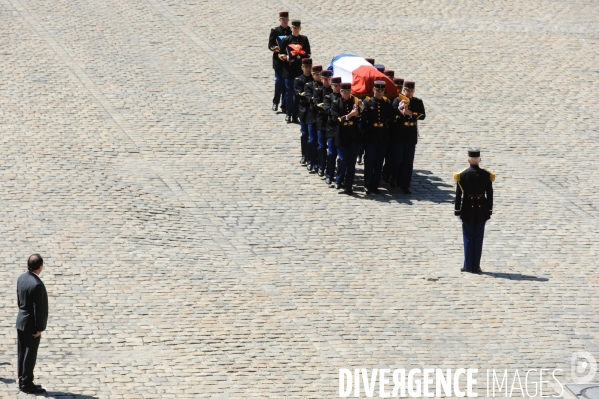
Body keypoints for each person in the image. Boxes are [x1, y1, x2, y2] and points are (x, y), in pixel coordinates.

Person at [453, 148, 495, 273]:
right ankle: (476, 266)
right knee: (478, 238)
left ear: (468, 160)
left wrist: (457, 210)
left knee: (468, 237)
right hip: (482, 210)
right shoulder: (487, 175)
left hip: (467, 209)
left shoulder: (462, 175)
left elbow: (458, 195)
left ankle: (468, 266)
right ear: (480, 160)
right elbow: (490, 194)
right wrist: (489, 209)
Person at [16, 254, 48, 394]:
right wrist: (40, 327)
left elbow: (19, 299)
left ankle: (22, 379)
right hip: (30, 324)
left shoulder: (22, 278)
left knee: (22, 352)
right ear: (40, 267)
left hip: (21, 320)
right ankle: (27, 383)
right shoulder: (37, 285)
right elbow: (38, 309)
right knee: (30, 354)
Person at [362, 80, 395, 194]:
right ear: (374, 90)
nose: (380, 93)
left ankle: (375, 185)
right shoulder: (368, 102)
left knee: (379, 162)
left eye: (382, 91)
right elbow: (364, 117)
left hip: (382, 136)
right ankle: (367, 184)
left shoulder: (387, 103)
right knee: (369, 161)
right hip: (371, 135)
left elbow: (391, 117)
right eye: (378, 90)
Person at [393, 80, 425, 194]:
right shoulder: (397, 100)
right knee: (397, 160)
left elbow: (422, 115)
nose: (410, 92)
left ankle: (405, 184)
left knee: (408, 161)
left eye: (412, 91)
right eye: (408, 90)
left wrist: (410, 113)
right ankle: (394, 177)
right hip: (399, 133)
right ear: (404, 90)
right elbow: (392, 116)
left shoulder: (417, 102)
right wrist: (400, 111)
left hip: (410, 134)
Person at [330, 82, 362, 195]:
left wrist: (359, 111)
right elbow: (336, 119)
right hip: (342, 136)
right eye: (345, 92)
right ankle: (339, 180)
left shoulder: (354, 103)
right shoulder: (336, 103)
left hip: (353, 136)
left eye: (349, 92)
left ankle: (349, 186)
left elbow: (360, 119)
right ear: (341, 92)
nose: (348, 94)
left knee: (351, 163)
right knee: (342, 160)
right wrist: (350, 115)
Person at [279, 20, 311, 123]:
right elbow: (280, 54)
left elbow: (309, 53)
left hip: (300, 70)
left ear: (300, 29)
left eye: (298, 28)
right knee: (289, 92)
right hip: (289, 70)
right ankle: (288, 113)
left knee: (298, 93)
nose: (296, 30)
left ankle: (295, 114)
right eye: (294, 28)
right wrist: (287, 57)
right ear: (291, 28)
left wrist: (302, 57)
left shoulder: (304, 39)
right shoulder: (286, 39)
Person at [268, 11, 291, 112]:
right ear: (280, 20)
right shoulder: (275, 31)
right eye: (283, 20)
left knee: (286, 84)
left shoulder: (291, 31)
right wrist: (275, 48)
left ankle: (284, 104)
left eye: (286, 19)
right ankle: (275, 102)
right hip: (278, 60)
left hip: (287, 61)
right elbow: (270, 45)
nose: (285, 21)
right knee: (278, 82)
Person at [382, 77, 404, 183]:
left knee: (394, 156)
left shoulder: (401, 99)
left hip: (396, 132)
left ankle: (392, 176)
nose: (398, 89)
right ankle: (386, 173)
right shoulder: (388, 98)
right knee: (387, 155)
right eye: (396, 87)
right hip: (384, 130)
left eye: (400, 87)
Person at [312, 69, 333, 177]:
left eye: (329, 79)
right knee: (321, 146)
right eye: (325, 79)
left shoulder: (334, 91)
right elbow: (316, 105)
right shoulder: (318, 90)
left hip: (330, 123)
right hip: (321, 121)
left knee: (331, 149)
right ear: (322, 79)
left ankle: (329, 169)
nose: (327, 81)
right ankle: (321, 166)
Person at [304, 65, 323, 173]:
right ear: (313, 75)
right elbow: (310, 98)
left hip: (321, 118)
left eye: (320, 74)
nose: (319, 76)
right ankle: (311, 161)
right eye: (316, 74)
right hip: (312, 116)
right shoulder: (309, 86)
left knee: (320, 143)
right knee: (311, 140)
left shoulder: (325, 87)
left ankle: (319, 163)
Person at [294, 58, 314, 164]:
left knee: (312, 136)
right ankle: (304, 155)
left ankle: (311, 156)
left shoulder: (314, 79)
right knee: (304, 134)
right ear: (302, 67)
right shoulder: (298, 80)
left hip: (312, 111)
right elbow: (299, 93)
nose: (308, 69)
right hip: (303, 110)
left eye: (309, 67)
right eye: (306, 67)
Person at [323, 76, 342, 185]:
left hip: (341, 130)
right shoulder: (328, 97)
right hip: (332, 129)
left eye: (339, 85)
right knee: (331, 154)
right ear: (332, 86)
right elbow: (327, 111)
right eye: (335, 85)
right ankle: (329, 175)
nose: (338, 87)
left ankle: (339, 177)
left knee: (341, 156)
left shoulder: (344, 97)